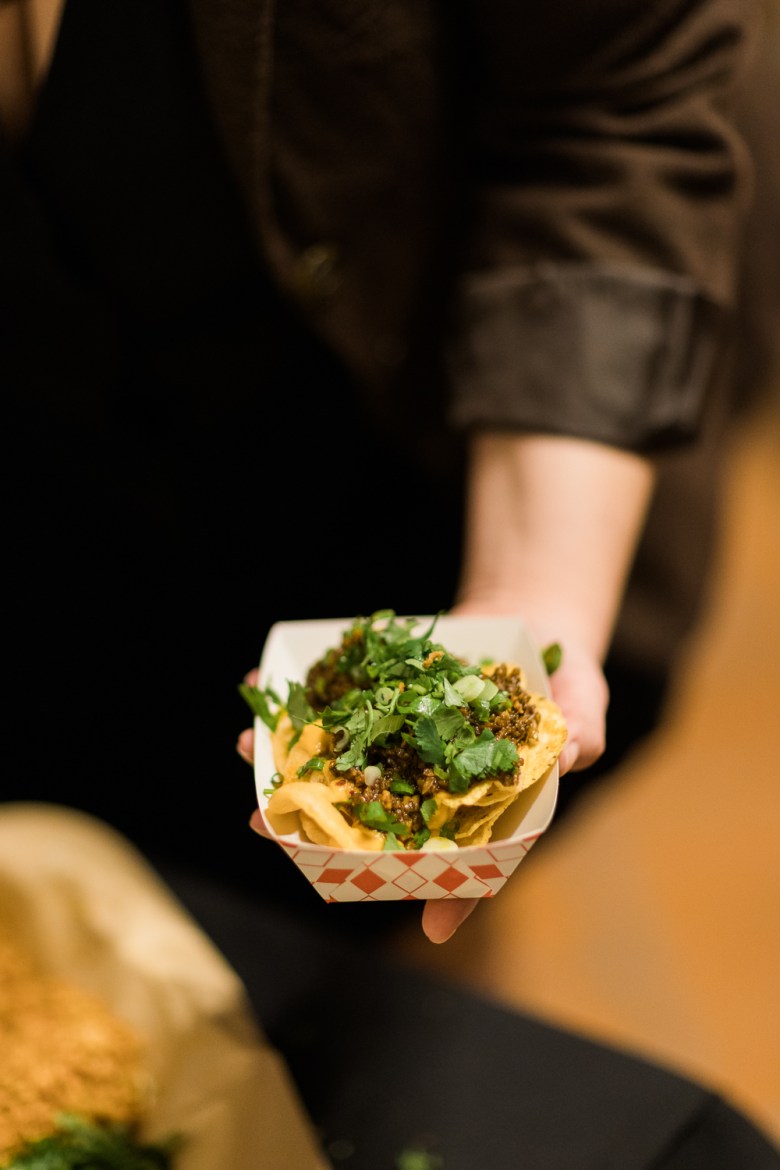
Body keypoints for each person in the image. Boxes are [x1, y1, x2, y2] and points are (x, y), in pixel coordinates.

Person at [2, 0, 776, 944]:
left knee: (385, 949)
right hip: (55, 534)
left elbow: (611, 105)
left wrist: (524, 597)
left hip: (438, 449)